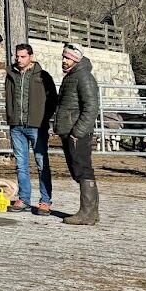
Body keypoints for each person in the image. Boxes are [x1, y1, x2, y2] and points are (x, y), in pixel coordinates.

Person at [4, 43, 57, 214]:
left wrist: (44, 119)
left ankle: (45, 201)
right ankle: (24, 199)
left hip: (36, 126)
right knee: (21, 165)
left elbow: (52, 100)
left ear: (31, 57)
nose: (19, 60)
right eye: (17, 57)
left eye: (23, 56)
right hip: (17, 126)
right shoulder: (11, 74)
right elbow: (9, 97)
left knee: (42, 163)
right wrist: (11, 117)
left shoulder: (43, 76)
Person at [55, 41, 100, 225]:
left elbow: (91, 107)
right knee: (79, 170)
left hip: (77, 133)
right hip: (71, 131)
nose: (64, 61)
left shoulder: (84, 77)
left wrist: (77, 132)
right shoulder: (73, 76)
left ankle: (87, 213)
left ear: (76, 59)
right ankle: (91, 212)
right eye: (64, 57)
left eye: (68, 58)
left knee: (83, 170)